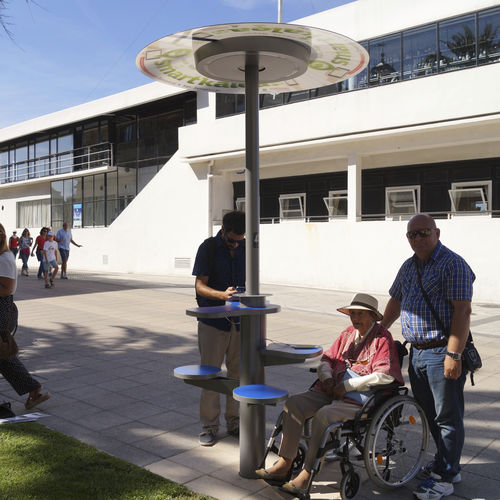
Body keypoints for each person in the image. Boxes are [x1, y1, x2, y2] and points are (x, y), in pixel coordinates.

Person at [256, 293, 403, 496]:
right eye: (353, 313)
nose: (355, 318)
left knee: (324, 415)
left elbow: (385, 375)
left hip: (360, 398)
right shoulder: (347, 334)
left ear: (372, 316)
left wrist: (349, 385)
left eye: (360, 314)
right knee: (294, 404)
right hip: (332, 389)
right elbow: (327, 359)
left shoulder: (382, 338)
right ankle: (285, 462)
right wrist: (326, 377)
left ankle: (307, 472)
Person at [381, 214, 474, 500]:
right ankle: (447, 465)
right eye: (412, 235)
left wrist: (454, 354)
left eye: (424, 232)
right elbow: (395, 301)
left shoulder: (453, 264)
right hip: (417, 353)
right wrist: (378, 332)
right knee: (430, 414)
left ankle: (446, 476)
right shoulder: (409, 266)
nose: (418, 239)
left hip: (441, 350)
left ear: (437, 232)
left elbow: (463, 311)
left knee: (447, 416)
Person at [192, 210, 246, 446]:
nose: (235, 245)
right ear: (222, 230)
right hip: (212, 323)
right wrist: (221, 295)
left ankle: (234, 422)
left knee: (238, 375)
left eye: (239, 241)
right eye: (232, 239)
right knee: (211, 375)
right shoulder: (208, 248)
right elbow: (199, 286)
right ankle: (209, 426)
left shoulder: (246, 247)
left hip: (240, 321)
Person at [0, 223, 51, 410]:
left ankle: (34, 388)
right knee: (3, 356)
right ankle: (34, 389)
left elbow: (6, 289)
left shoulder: (5, 258)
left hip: (2, 309)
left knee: (3, 353)